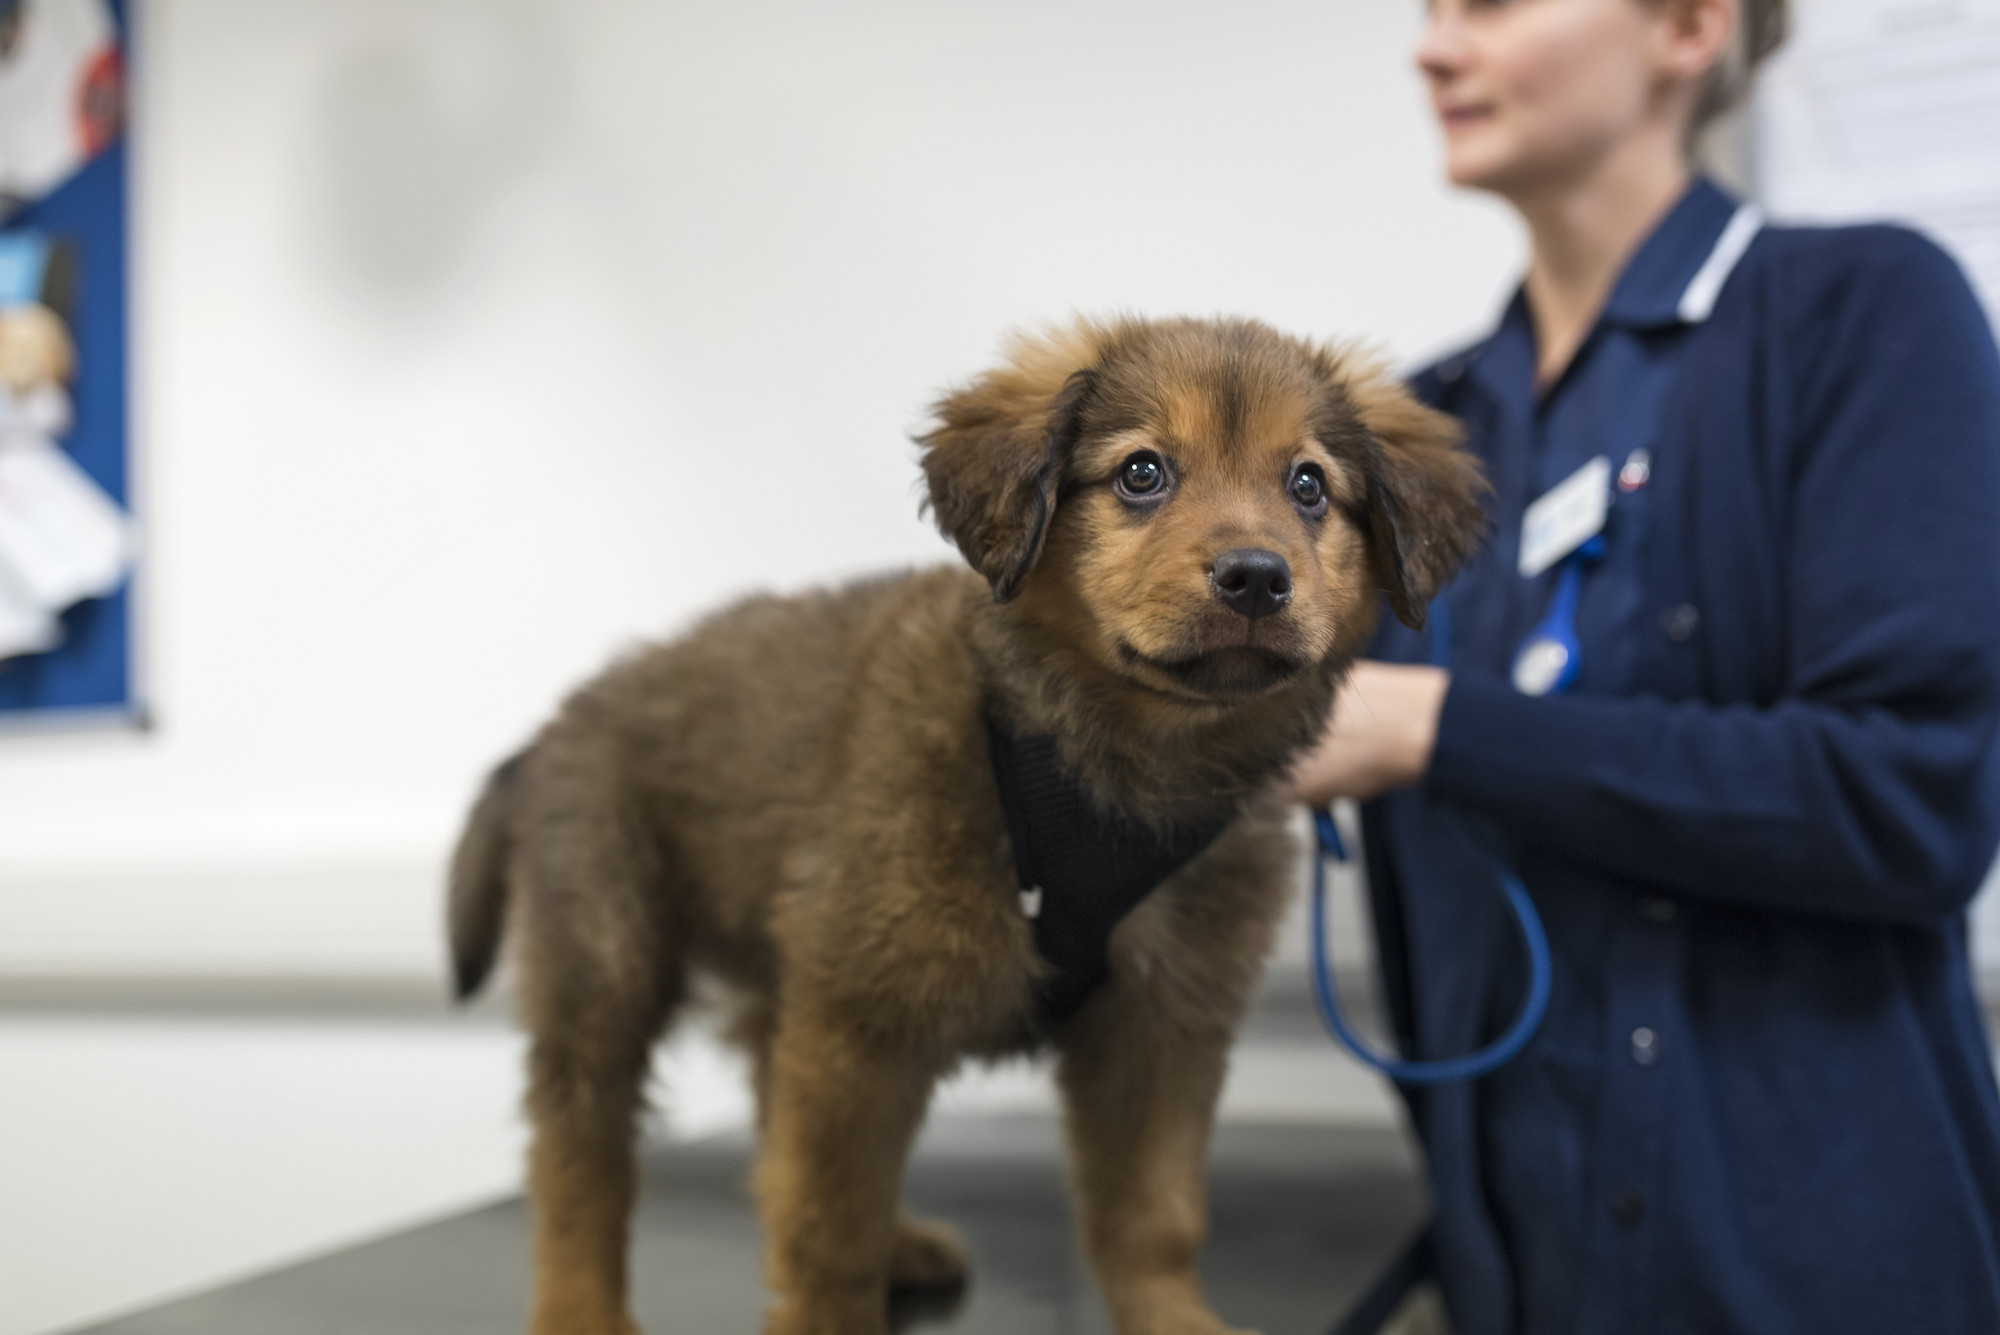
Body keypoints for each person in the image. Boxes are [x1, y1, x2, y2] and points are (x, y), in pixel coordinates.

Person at [1291, 1, 2000, 1332]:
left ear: (1686, 26)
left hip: (1816, 1277)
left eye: (1490, 5)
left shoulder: (1860, 313)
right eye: (1430, 11)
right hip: (1518, 1272)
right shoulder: (1419, 432)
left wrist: (1436, 726)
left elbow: (1914, 797)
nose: (1434, 49)